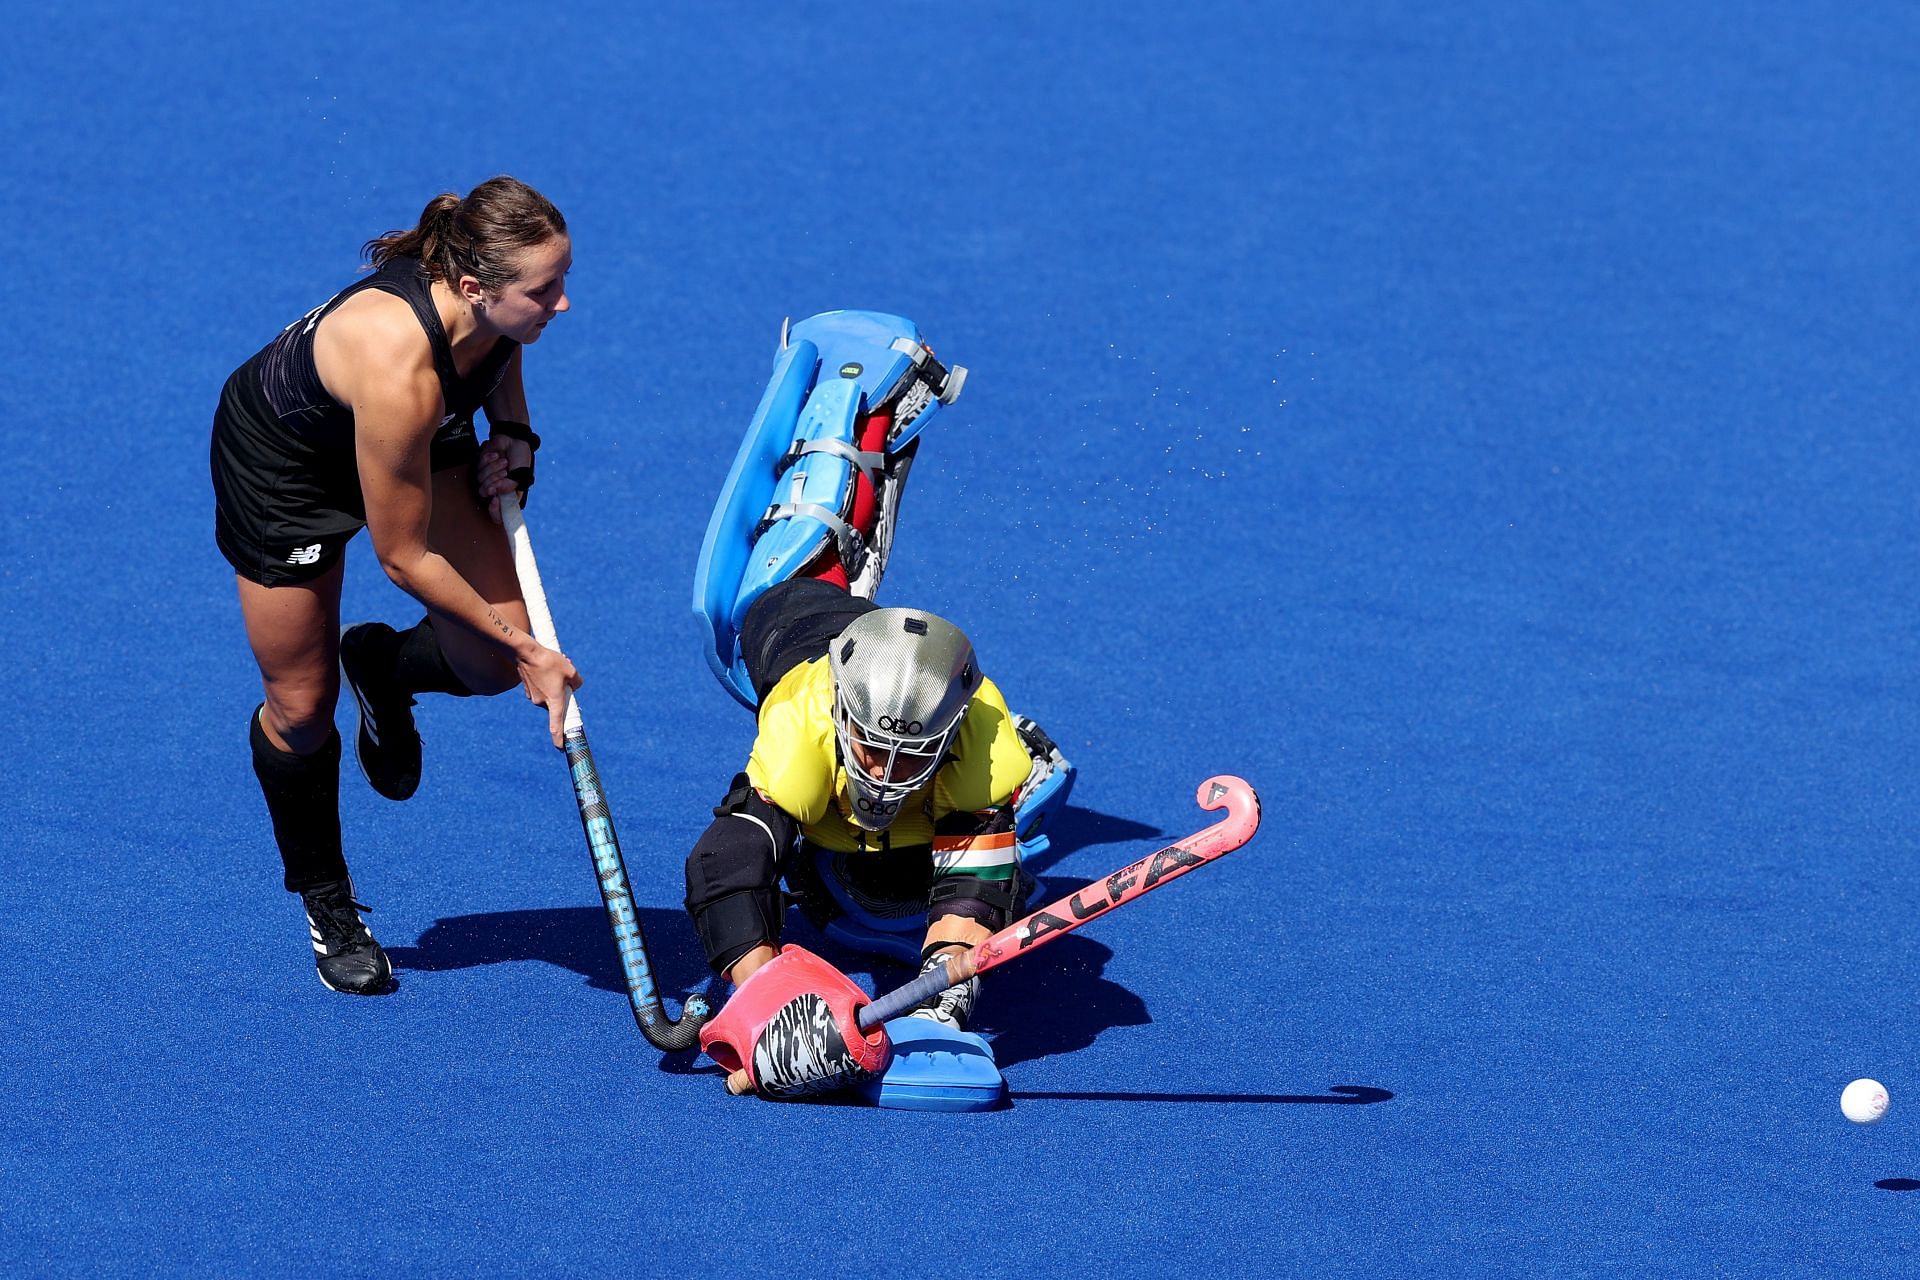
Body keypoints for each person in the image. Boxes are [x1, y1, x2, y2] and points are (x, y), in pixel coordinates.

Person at [684, 311, 1074, 1095]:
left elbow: (969, 890)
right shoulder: (801, 718)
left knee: (890, 906)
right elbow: (724, 864)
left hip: (912, 793)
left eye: (910, 752)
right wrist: (761, 997)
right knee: (779, 587)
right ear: (842, 718)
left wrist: (945, 991)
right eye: (871, 748)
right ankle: (849, 428)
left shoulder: (981, 738)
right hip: (803, 632)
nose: (887, 770)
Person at [211, 176, 582, 995]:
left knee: (484, 665)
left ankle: (381, 665)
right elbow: (403, 557)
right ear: (476, 287)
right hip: (287, 474)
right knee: (302, 711)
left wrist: (515, 434)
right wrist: (533, 648)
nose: (562, 306)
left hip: (409, 442)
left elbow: (501, 349)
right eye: (545, 290)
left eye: (562, 279)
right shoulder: (399, 365)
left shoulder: (486, 308)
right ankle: (328, 902)